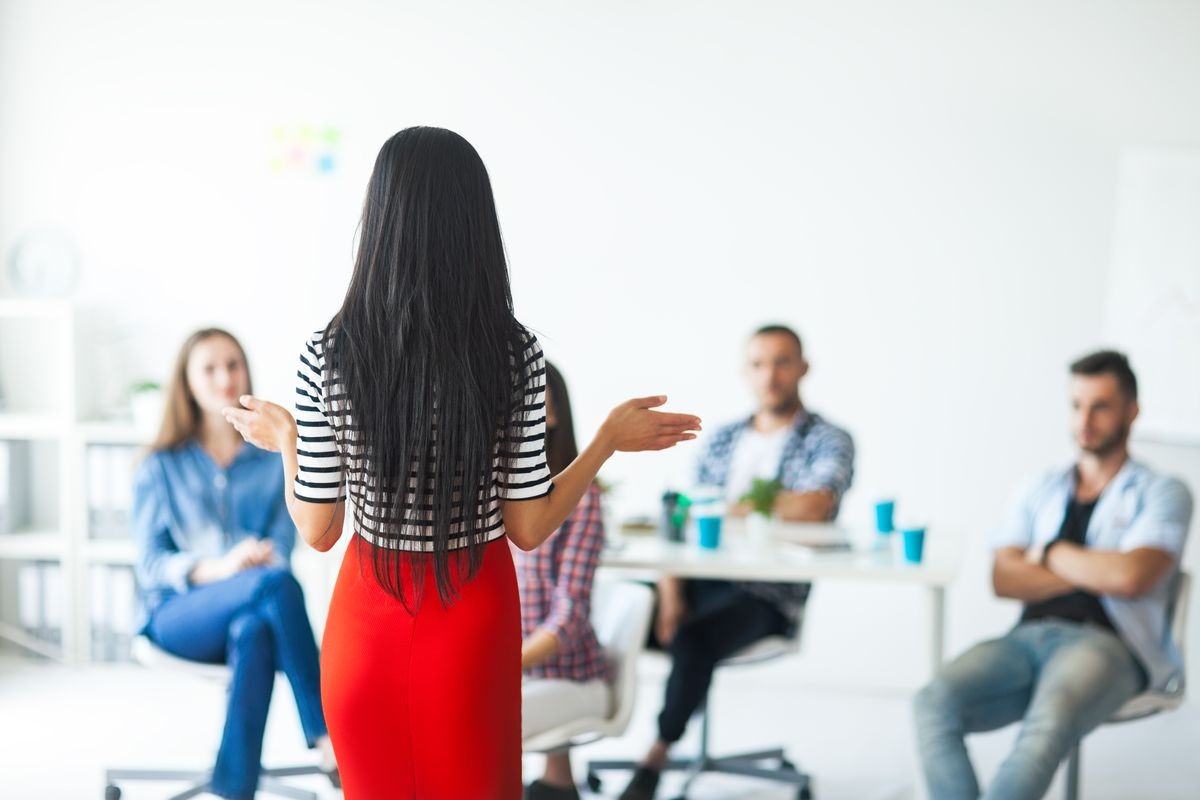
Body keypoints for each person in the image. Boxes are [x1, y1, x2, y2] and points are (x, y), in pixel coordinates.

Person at [223, 126, 702, 800]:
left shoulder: (327, 352)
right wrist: (602, 444)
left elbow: (319, 530)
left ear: (379, 215)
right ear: (476, 222)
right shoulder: (513, 354)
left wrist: (292, 443)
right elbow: (529, 526)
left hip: (367, 612)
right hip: (473, 610)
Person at [913, 350, 1194, 800]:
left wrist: (1048, 553)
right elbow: (1004, 579)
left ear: (1132, 411)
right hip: (1027, 637)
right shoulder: (1038, 487)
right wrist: (1096, 567)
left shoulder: (1164, 491)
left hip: (1110, 646)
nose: (1085, 419)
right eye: (1077, 405)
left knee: (1046, 725)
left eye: (1101, 406)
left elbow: (1131, 578)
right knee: (932, 702)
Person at [620, 324, 855, 800]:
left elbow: (814, 505)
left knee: (694, 638)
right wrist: (670, 592)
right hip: (697, 579)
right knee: (619, 608)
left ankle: (656, 755)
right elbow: (683, 519)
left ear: (802, 368)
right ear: (745, 372)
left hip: (767, 593)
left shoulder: (828, 439)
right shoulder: (723, 438)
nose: (770, 375)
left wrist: (729, 505)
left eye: (782, 362)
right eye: (759, 363)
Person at [132, 328, 336, 800]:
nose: (224, 377)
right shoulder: (159, 466)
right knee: (275, 587)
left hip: (256, 603)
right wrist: (223, 569)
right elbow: (151, 565)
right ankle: (327, 737)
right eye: (209, 368)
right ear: (187, 382)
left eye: (233, 364)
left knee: (254, 628)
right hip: (179, 615)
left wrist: (260, 562)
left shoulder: (272, 461)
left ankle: (233, 788)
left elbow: (285, 542)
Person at [517, 362, 611, 800]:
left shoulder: (583, 496)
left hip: (564, 670)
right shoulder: (487, 492)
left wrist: (504, 667)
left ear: (553, 414)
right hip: (510, 666)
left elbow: (569, 614)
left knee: (475, 717)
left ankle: (555, 783)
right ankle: (556, 782)